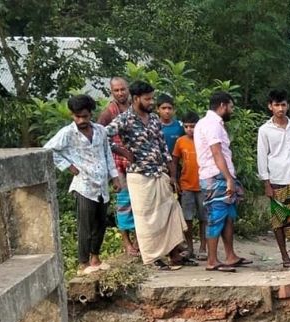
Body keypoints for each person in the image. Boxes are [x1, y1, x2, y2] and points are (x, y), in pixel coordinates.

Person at [106, 80, 189, 270]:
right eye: (148, 99)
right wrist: (121, 151)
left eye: (152, 98)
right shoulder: (124, 119)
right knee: (147, 220)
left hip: (159, 172)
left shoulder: (153, 119)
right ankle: (153, 258)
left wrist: (173, 175)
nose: (151, 102)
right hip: (139, 175)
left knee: (169, 212)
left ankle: (174, 254)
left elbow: (162, 147)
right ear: (136, 99)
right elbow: (103, 135)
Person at [44, 94, 122, 275]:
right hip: (83, 184)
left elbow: (107, 154)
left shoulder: (101, 131)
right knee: (85, 226)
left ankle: (95, 257)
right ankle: (83, 262)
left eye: (85, 116)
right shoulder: (67, 133)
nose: (81, 120)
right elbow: (48, 149)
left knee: (100, 223)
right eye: (78, 117)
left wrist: (115, 177)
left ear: (90, 114)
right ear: (72, 115)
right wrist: (68, 166)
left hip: (101, 184)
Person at [195, 90, 250, 272]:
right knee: (216, 218)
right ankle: (212, 260)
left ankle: (229, 256)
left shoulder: (208, 123)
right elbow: (216, 152)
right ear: (222, 106)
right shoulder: (212, 125)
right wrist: (228, 179)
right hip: (216, 177)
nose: (231, 111)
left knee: (227, 217)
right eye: (231, 107)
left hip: (218, 176)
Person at [257, 89, 290, 269]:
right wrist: (266, 183)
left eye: (283, 105)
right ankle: (285, 256)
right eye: (277, 105)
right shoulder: (265, 130)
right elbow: (262, 157)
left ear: (288, 106)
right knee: (279, 219)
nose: (280, 108)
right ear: (270, 107)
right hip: (278, 179)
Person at [99, 76, 139, 257]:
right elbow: (99, 135)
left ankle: (141, 240)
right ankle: (127, 243)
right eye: (116, 90)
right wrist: (117, 149)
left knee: (140, 202)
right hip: (118, 164)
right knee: (123, 203)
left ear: (128, 89)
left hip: (137, 161)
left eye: (123, 89)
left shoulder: (135, 107)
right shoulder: (109, 111)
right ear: (112, 92)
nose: (120, 93)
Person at [172, 111, 205, 259]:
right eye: (186, 126)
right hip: (186, 184)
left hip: (203, 184)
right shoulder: (180, 141)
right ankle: (190, 246)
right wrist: (174, 178)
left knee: (204, 218)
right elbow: (174, 161)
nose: (190, 129)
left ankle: (204, 246)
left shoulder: (204, 140)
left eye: (193, 126)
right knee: (188, 218)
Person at [157, 94, 184, 160]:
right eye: (163, 108)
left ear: (174, 110)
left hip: (176, 164)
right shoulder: (153, 126)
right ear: (157, 109)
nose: (167, 111)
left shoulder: (180, 126)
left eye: (169, 108)